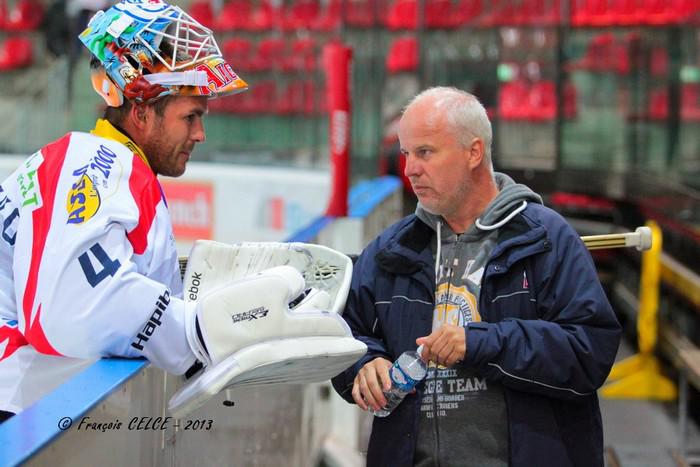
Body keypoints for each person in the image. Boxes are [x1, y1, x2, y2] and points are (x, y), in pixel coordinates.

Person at [331, 87, 622, 467]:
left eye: (425, 152)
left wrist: (479, 343)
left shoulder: (545, 238)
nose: (410, 169)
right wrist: (362, 365)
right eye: (406, 153)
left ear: (474, 152)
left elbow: (589, 351)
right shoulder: (393, 249)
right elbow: (339, 329)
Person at [0, 0, 252, 420]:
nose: (200, 133)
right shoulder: (95, 163)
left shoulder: (103, 164)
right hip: (16, 413)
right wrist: (200, 329)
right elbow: (72, 313)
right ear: (139, 112)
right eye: (190, 117)